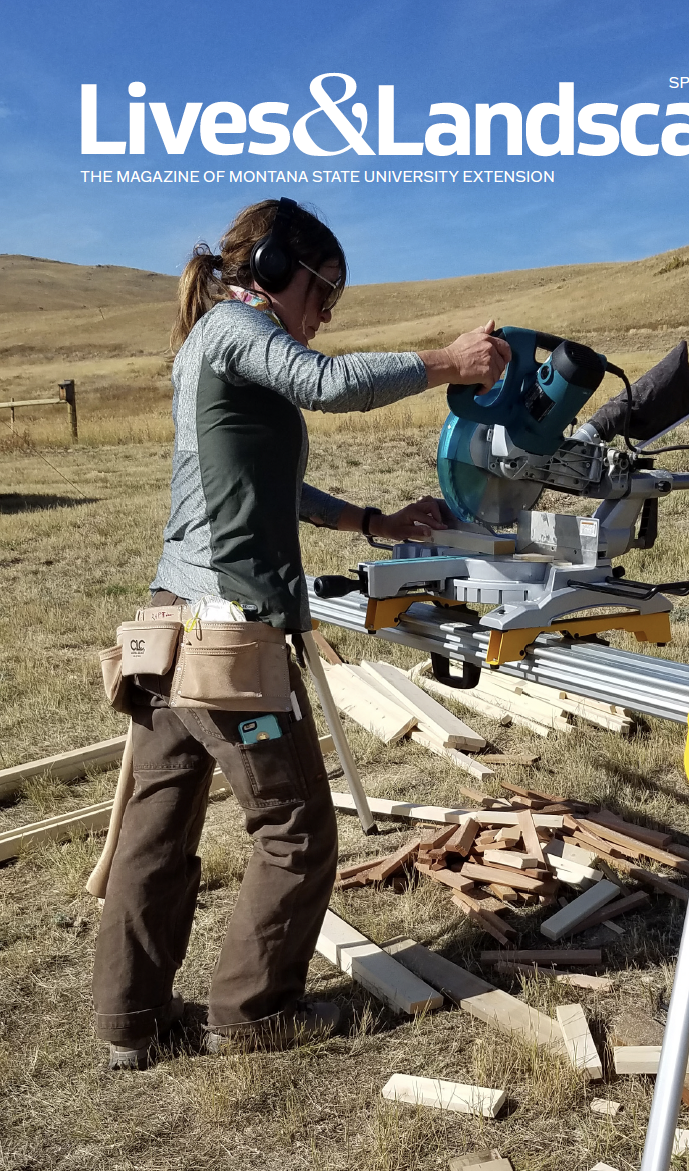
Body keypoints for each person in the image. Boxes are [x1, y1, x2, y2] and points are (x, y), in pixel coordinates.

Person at [92, 197, 510, 1069]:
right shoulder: (236, 332)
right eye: (325, 291)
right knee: (296, 828)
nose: (326, 314)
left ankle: (128, 1021)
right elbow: (331, 385)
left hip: (173, 624)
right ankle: (252, 1013)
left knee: (159, 828)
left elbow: (265, 486)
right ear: (278, 269)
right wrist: (446, 363)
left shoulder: (216, 346)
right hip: (224, 637)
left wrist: (371, 521)